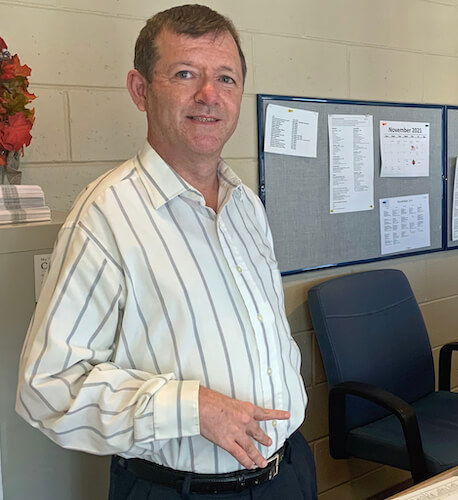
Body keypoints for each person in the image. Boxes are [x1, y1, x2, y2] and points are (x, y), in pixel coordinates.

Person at [15, 5, 314, 499]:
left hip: (288, 473)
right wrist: (192, 408)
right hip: (182, 490)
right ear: (140, 90)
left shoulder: (247, 207)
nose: (209, 96)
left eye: (226, 78)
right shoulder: (106, 215)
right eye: (184, 74)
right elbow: (46, 388)